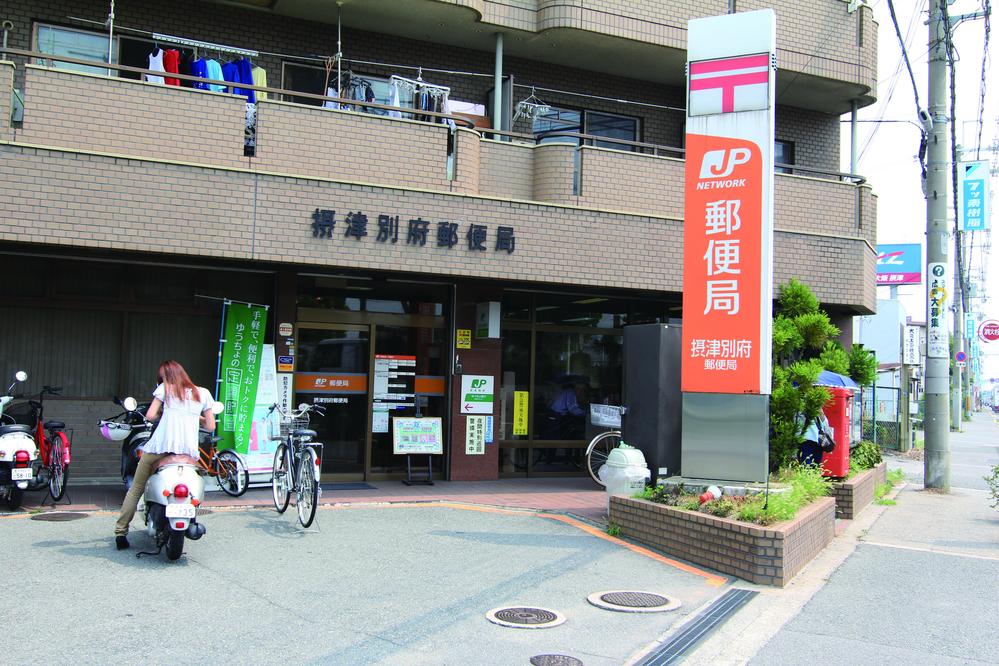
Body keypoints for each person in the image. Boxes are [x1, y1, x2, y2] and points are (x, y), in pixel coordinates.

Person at [114, 360, 215, 550]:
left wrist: (164, 411)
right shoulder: (203, 393)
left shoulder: (164, 389)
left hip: (159, 449)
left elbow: (150, 416)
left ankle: (121, 532)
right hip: (186, 453)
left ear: (165, 379)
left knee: (136, 488)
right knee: (194, 483)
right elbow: (210, 426)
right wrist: (195, 416)